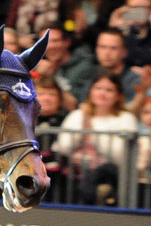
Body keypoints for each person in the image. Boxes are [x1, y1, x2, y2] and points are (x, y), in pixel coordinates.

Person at [53, 73, 139, 206]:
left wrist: (90, 133)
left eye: (109, 90)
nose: (102, 94)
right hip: (74, 173)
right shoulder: (77, 115)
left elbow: (120, 155)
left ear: (118, 95)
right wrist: (82, 134)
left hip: (108, 176)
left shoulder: (126, 119)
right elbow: (64, 146)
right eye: (98, 88)